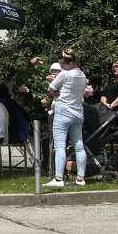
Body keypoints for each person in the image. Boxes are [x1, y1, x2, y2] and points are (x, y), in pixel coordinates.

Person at [44, 49, 88, 188]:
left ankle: (58, 179)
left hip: (63, 110)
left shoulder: (64, 74)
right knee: (79, 147)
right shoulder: (82, 75)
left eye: (63, 65)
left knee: (60, 146)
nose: (62, 67)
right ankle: (80, 178)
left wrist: (56, 92)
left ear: (70, 63)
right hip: (78, 113)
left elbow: (50, 89)